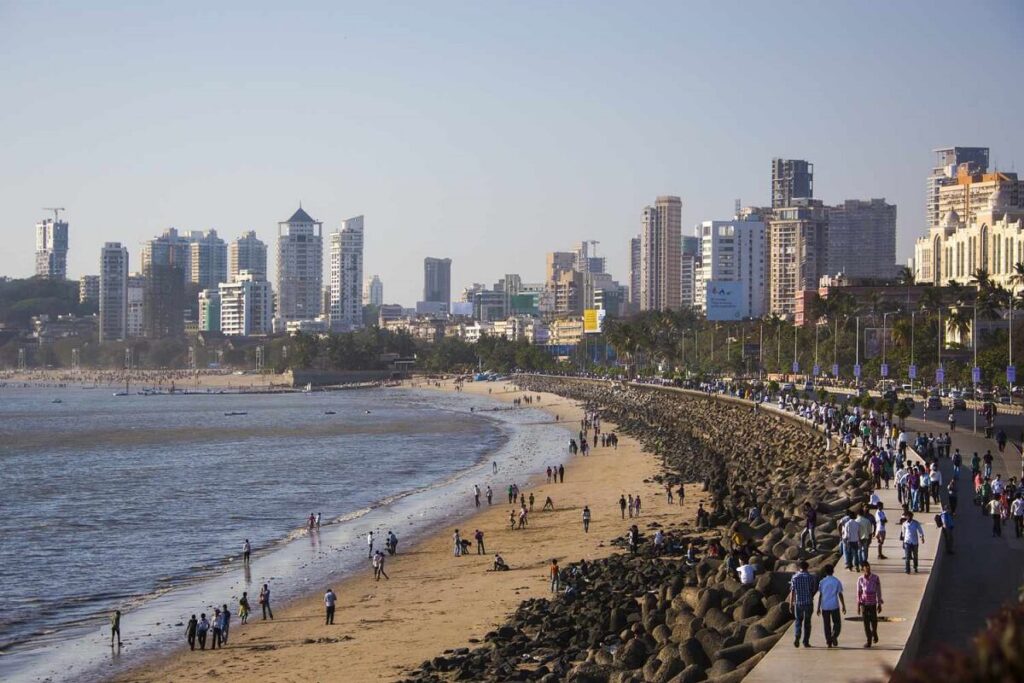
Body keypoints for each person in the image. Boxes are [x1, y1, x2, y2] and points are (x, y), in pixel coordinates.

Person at [816, 564, 846, 648]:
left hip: (825, 606)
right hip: (834, 605)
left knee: (826, 624)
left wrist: (818, 607)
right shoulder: (836, 581)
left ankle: (829, 641)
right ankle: (834, 635)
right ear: (833, 571)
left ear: (825, 572)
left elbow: (820, 595)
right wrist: (843, 605)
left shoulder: (822, 582)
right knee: (837, 623)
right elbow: (840, 594)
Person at [788, 560, 816, 648]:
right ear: (807, 567)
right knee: (807, 623)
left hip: (798, 603)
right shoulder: (811, 577)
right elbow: (813, 590)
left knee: (798, 621)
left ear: (799, 567)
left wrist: (790, 603)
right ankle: (806, 641)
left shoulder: (794, 577)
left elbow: (792, 591)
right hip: (808, 602)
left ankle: (797, 636)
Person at [857, 562, 883, 647]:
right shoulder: (860, 579)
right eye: (866, 567)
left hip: (872, 603)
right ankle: (869, 641)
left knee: (874, 620)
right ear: (863, 569)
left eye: (868, 567)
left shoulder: (875, 578)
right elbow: (859, 592)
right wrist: (858, 605)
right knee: (866, 623)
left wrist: (879, 603)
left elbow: (878, 591)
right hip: (864, 603)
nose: (868, 568)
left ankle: (874, 632)